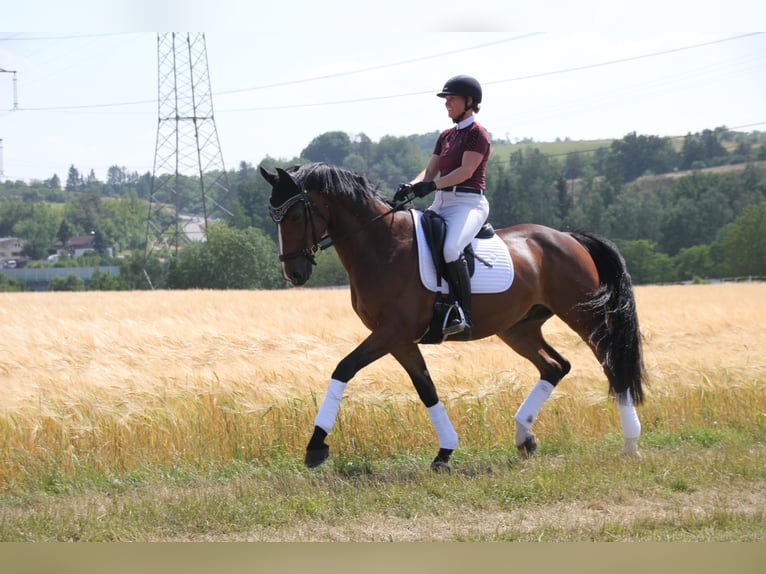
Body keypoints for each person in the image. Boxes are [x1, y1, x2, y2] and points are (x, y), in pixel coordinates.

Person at [395, 74, 491, 339]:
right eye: (445, 99)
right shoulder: (446, 136)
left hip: (468, 203)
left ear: (470, 102)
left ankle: (462, 313)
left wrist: (433, 185)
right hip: (442, 202)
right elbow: (430, 170)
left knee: (450, 249)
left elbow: (465, 171)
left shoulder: (477, 134)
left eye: (452, 99)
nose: (447, 103)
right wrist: (412, 185)